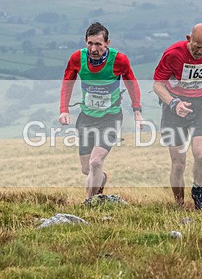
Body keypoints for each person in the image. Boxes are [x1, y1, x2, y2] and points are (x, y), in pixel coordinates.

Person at [59, 22, 143, 202]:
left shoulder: (119, 60)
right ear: (85, 41)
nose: (93, 48)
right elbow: (67, 83)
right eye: (90, 43)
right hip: (86, 118)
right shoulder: (77, 58)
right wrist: (64, 110)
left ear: (107, 43)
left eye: (98, 44)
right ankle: (101, 179)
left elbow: (131, 83)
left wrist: (137, 111)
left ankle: (89, 203)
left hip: (110, 118)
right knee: (86, 169)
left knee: (96, 161)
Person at [153, 23, 202, 210]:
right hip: (173, 109)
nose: (200, 51)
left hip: (200, 105)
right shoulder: (173, 54)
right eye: (196, 46)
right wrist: (174, 103)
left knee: (201, 154)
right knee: (178, 163)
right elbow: (157, 85)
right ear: (188, 39)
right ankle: (179, 204)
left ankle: (197, 189)